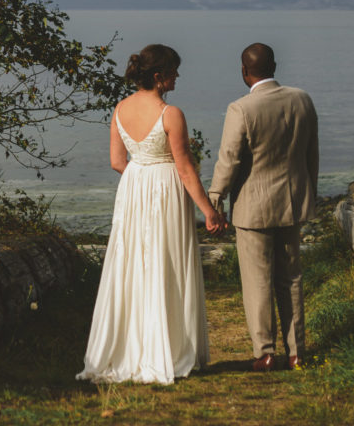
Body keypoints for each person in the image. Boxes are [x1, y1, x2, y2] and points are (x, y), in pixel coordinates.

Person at [78, 44, 227, 384]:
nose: (177, 78)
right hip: (165, 189)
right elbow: (185, 168)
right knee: (167, 261)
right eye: (174, 72)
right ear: (159, 77)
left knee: (133, 263)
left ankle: (131, 347)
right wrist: (210, 212)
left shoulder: (119, 109)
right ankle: (170, 348)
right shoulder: (170, 114)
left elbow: (117, 162)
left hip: (134, 188)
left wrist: (141, 177)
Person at [207, 42, 319, 371]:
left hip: (253, 209)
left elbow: (229, 160)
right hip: (293, 201)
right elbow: (311, 154)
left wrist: (215, 201)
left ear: (245, 71)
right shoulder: (302, 99)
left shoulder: (241, 108)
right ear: (275, 66)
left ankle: (266, 353)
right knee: (292, 278)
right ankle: (297, 352)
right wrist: (309, 194)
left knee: (258, 282)